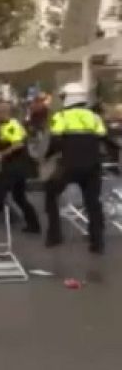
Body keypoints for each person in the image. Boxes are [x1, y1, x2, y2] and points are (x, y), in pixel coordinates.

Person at [44, 82, 116, 253]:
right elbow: (105, 139)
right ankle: (97, 242)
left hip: (69, 165)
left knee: (51, 193)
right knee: (93, 203)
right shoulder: (94, 117)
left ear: (68, 98)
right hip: (92, 166)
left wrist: (47, 156)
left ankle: (54, 235)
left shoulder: (61, 117)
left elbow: (55, 140)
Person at [0, 101, 41, 233]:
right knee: (19, 197)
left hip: (17, 166)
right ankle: (33, 225)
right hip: (12, 166)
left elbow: (18, 144)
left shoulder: (12, 125)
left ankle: (10, 215)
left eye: (1, 112)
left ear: (8, 113)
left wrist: (1, 155)